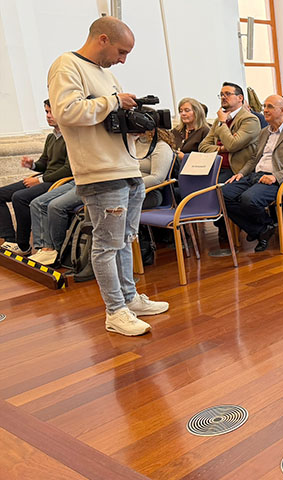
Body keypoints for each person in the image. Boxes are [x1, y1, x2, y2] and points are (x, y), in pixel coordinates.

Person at [47, 16, 168, 336]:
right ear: (102, 39)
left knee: (126, 239)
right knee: (106, 245)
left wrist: (133, 121)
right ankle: (115, 311)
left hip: (126, 168)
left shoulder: (106, 75)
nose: (123, 60)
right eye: (121, 51)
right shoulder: (66, 65)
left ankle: (130, 298)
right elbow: (66, 111)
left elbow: (107, 119)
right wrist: (115, 101)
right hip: (101, 172)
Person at [222, 95, 283, 252]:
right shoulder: (263, 133)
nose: (264, 110)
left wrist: (276, 176)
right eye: (264, 106)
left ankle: (260, 228)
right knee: (223, 194)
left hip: (277, 179)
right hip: (256, 175)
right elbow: (254, 158)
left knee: (248, 199)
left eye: (269, 107)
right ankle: (263, 227)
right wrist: (241, 173)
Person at [0, 99, 70, 256]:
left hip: (57, 182)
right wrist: (32, 165)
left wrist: (39, 180)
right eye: (46, 112)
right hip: (45, 178)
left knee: (20, 197)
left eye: (51, 112)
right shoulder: (51, 137)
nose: (48, 116)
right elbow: (44, 163)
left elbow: (68, 169)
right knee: (1, 194)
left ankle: (23, 245)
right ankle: (10, 239)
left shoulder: (71, 137)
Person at [199, 82, 261, 183]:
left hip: (235, 170)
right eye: (221, 95)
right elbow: (203, 146)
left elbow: (232, 145)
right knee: (188, 187)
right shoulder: (218, 120)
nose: (223, 97)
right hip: (214, 167)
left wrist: (223, 123)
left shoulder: (249, 120)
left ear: (240, 98)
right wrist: (222, 148)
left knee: (207, 190)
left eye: (227, 94)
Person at [136, 123, 175, 209]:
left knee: (112, 203)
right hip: (128, 190)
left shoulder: (161, 146)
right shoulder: (133, 143)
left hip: (149, 192)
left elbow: (157, 178)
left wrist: (129, 185)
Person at [171, 97, 210, 164]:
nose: (183, 114)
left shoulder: (205, 131)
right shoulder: (175, 131)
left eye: (187, 110)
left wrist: (185, 157)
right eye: (181, 111)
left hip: (195, 169)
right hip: (174, 168)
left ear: (197, 112)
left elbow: (207, 157)